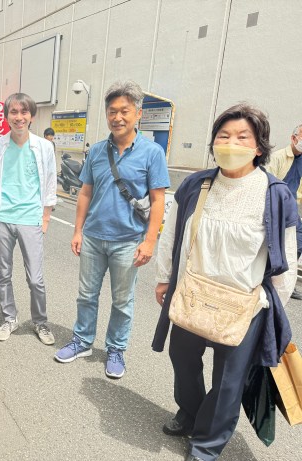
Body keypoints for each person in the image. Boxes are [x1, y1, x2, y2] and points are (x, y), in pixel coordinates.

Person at [152, 104, 298, 461]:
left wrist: (269, 305)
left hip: (244, 303)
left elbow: (287, 257)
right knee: (182, 358)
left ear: (259, 146)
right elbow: (171, 235)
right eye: (223, 135)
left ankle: (206, 444)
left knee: (229, 381)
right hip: (192, 293)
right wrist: (164, 278)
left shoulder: (274, 193)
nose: (231, 143)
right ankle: (190, 412)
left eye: (242, 137)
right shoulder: (197, 184)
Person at [54, 81, 169, 378]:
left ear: (137, 113)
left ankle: (116, 348)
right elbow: (85, 193)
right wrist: (78, 231)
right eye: (112, 111)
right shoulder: (96, 151)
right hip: (93, 237)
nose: (117, 117)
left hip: (128, 241)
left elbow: (158, 200)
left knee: (122, 301)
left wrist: (149, 241)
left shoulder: (152, 153)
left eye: (124, 111)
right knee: (86, 295)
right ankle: (82, 341)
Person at [0, 93, 57, 345]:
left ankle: (40, 321)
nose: (19, 117)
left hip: (30, 217)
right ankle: (9, 318)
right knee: (3, 273)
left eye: (24, 112)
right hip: (1, 217)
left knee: (35, 278)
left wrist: (45, 217)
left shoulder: (44, 147)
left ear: (31, 116)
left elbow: (50, 182)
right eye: (13, 112)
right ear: (6, 117)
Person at [264, 123, 302, 299]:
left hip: (292, 210)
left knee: (297, 244)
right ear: (294, 138)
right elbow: (266, 184)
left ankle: (287, 282)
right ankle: (269, 281)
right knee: (275, 246)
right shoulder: (278, 157)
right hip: (275, 208)